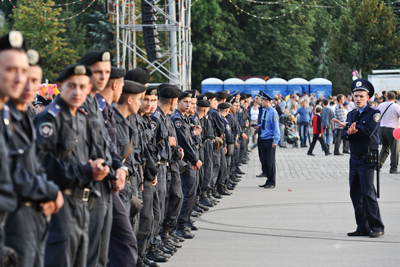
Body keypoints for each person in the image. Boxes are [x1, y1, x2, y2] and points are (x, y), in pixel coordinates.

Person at [35, 64, 109, 266]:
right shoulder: (50, 118)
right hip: (60, 203)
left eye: (83, 87)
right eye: (71, 86)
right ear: (59, 86)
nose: (77, 92)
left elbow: (93, 153)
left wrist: (102, 166)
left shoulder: (81, 118)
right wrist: (86, 171)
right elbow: (42, 162)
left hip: (83, 203)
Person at [335, 78, 384, 238]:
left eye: (361, 96)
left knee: (368, 193)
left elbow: (368, 131)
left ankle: (377, 226)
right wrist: (348, 131)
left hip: (367, 158)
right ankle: (362, 226)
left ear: (368, 97)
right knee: (355, 193)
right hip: (354, 159)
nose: (358, 99)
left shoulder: (374, 113)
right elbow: (344, 134)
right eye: (355, 96)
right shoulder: (351, 114)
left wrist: (350, 128)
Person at [258, 91, 280, 189]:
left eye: (262, 100)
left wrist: (276, 140)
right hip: (263, 137)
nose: (261, 102)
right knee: (265, 161)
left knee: (270, 162)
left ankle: (272, 182)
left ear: (267, 101)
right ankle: (268, 180)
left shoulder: (273, 113)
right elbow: (264, 125)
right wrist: (258, 127)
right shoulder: (265, 111)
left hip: (270, 139)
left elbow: (276, 128)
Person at [378, 92, 400, 174]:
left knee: (385, 148)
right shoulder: (396, 106)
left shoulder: (381, 105)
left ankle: (378, 165)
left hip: (382, 128)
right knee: (394, 149)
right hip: (392, 129)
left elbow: (377, 115)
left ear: (386, 97)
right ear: (394, 98)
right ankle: (393, 169)